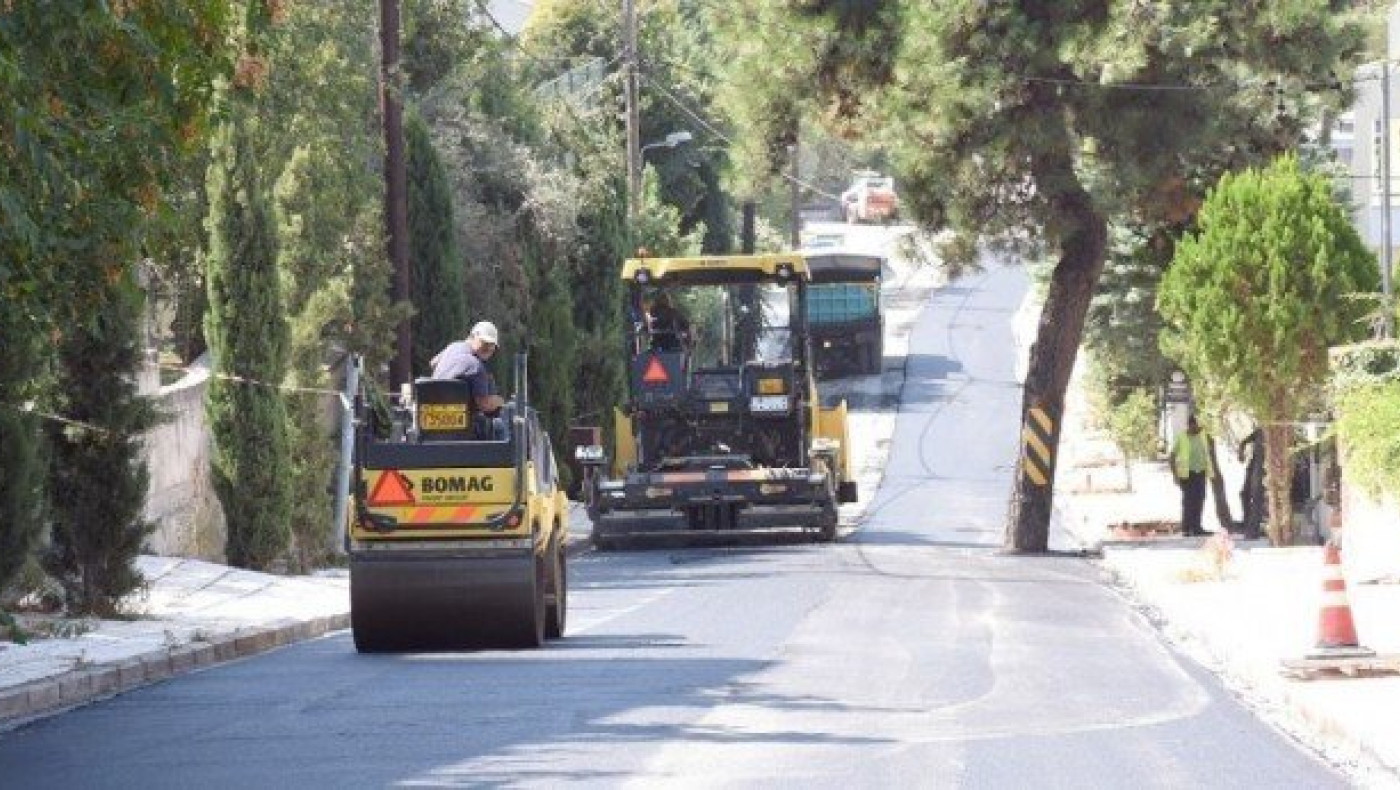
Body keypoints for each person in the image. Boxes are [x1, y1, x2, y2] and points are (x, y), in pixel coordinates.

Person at [429, 321, 506, 439]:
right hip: (461, 427)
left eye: (492, 345)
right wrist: (500, 401)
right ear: (473, 337)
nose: (489, 348)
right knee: (500, 426)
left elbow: (433, 363)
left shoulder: (453, 346)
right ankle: (506, 458)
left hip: (432, 420)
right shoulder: (476, 367)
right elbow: (484, 405)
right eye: (484, 343)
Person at [1171, 415, 1214, 537]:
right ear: (1188, 425)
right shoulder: (1182, 437)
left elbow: (1210, 445)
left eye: (1196, 425)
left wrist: (1205, 430)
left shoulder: (1203, 436)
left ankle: (1197, 528)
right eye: (1192, 425)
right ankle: (1186, 529)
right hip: (1187, 474)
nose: (1195, 428)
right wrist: (1175, 475)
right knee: (1188, 501)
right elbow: (1172, 456)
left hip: (1200, 472)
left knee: (1199, 500)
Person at [1237, 426, 1266, 540]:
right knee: (1244, 494)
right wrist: (1241, 451)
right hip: (1254, 464)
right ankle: (1248, 524)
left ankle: (1254, 530)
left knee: (1257, 497)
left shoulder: (1272, 429)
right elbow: (1245, 441)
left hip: (1263, 466)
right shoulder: (1259, 430)